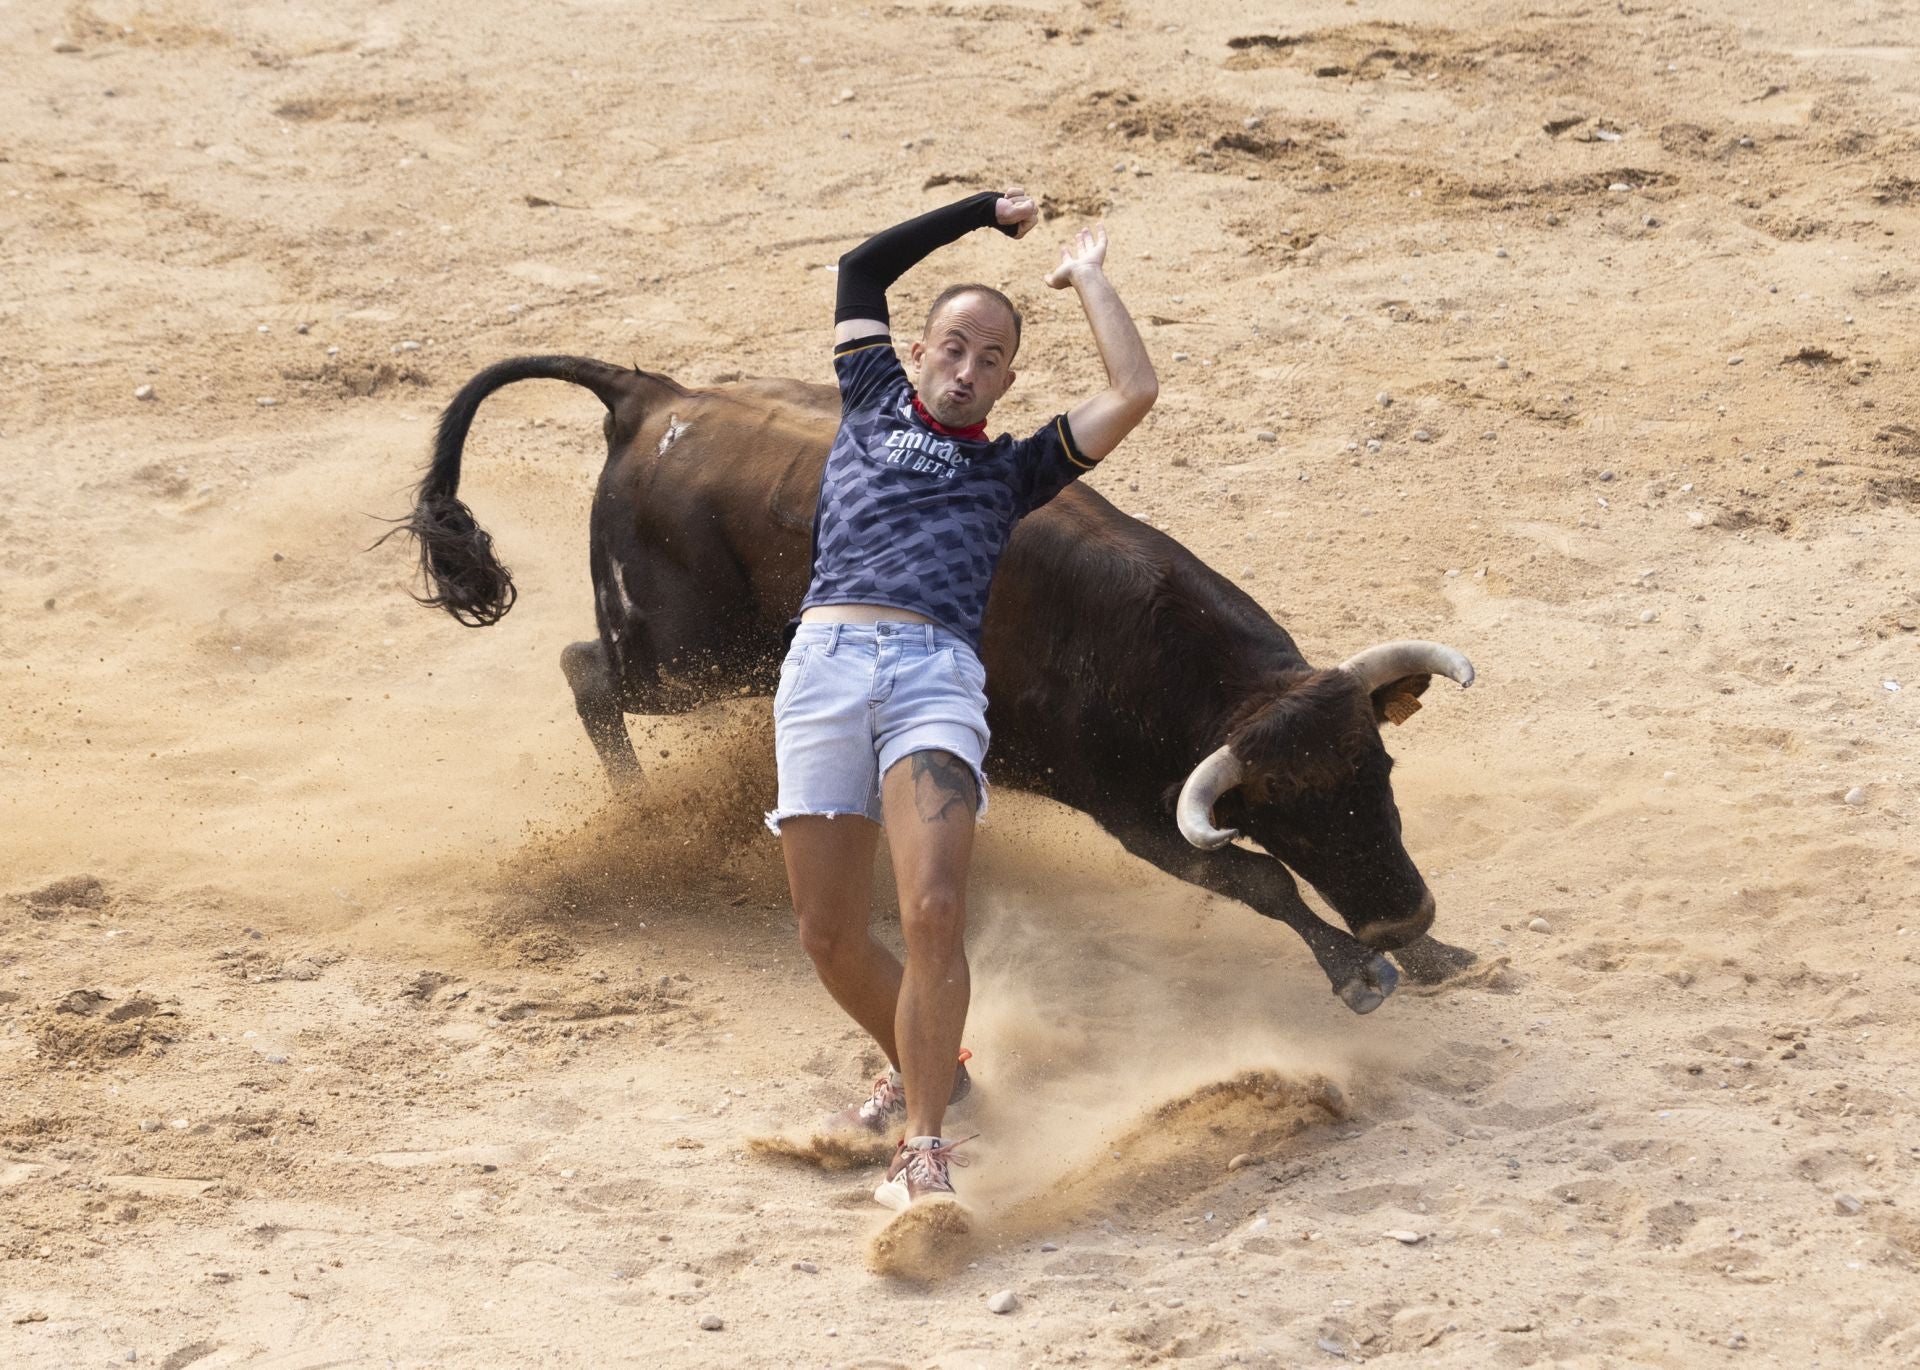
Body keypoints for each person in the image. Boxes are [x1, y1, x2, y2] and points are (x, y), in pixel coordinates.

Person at [765, 186, 1158, 1212]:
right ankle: (928, 1065)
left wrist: (1087, 280)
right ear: (924, 347)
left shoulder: (1018, 468)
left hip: (933, 674)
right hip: (824, 665)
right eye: (952, 345)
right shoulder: (867, 393)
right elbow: (860, 268)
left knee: (934, 905)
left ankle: (925, 1143)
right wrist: (982, 211)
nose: (966, 367)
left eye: (989, 359)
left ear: (1007, 380)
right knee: (828, 932)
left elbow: (1135, 388)